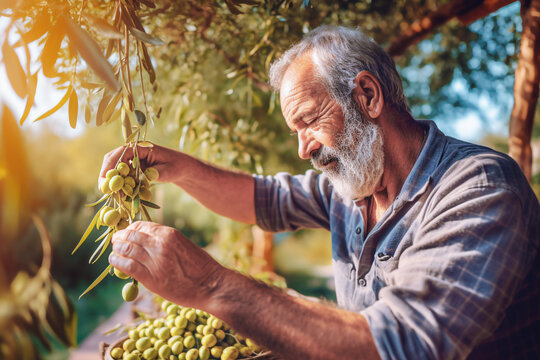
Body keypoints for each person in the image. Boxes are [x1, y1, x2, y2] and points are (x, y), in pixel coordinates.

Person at [102, 26, 540, 359]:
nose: (303, 148)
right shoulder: (355, 187)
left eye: (309, 121)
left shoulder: (478, 188)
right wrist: (177, 168)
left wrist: (209, 283)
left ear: (367, 96)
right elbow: (262, 199)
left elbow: (405, 343)